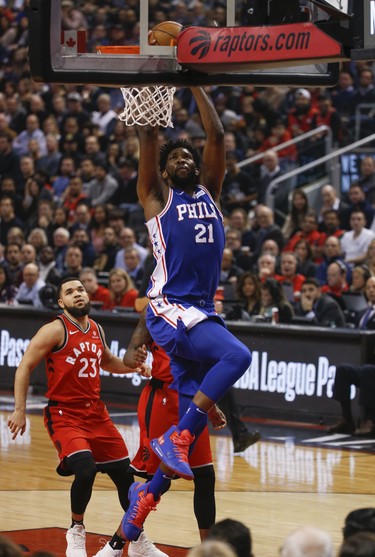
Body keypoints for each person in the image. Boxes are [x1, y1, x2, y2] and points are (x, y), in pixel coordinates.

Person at [119, 87, 252, 541]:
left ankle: (137, 514)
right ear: (163, 171)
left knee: (187, 440)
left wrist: (195, 83)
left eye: (187, 158)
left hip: (199, 310)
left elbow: (215, 134)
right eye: (174, 158)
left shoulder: (210, 193)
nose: (183, 161)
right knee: (238, 358)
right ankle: (173, 440)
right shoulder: (155, 197)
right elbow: (150, 137)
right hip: (169, 308)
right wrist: (162, 82)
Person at [7, 277, 164, 557]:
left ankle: (137, 539)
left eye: (80, 289)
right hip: (64, 414)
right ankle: (76, 529)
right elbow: (24, 366)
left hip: (96, 414)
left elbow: (108, 362)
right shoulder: (54, 329)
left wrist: (134, 368)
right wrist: (19, 410)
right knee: (86, 469)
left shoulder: (96, 329)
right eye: (69, 292)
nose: (77, 294)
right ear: (61, 302)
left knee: (125, 478)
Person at [327, 276, 375, 435]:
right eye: (368, 287)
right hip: (367, 363)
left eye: (374, 287)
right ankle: (347, 419)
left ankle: (370, 420)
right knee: (343, 370)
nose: (371, 291)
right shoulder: (362, 312)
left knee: (369, 371)